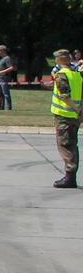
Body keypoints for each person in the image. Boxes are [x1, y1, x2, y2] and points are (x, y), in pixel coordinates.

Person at [52, 49, 81, 189]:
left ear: (60, 60)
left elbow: (65, 96)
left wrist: (76, 109)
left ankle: (70, 177)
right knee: (73, 145)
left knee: (65, 145)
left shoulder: (61, 75)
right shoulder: (76, 75)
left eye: (56, 59)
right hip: (75, 116)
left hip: (65, 116)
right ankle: (71, 176)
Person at [0, 45, 16, 111]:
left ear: (2, 51)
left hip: (5, 78)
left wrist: (2, 72)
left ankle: (8, 107)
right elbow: (3, 67)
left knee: (5, 93)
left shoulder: (7, 58)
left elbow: (11, 67)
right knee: (0, 93)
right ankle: (1, 106)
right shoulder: (2, 59)